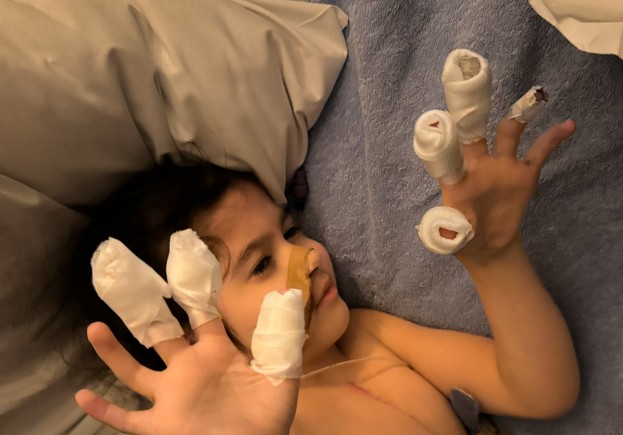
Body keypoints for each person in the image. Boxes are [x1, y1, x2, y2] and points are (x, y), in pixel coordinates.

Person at [73, 117, 580, 434]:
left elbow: (542, 391)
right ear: (193, 334)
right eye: (261, 264)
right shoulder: (267, 424)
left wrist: (495, 258)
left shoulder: (368, 336)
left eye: (290, 231)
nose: (309, 256)